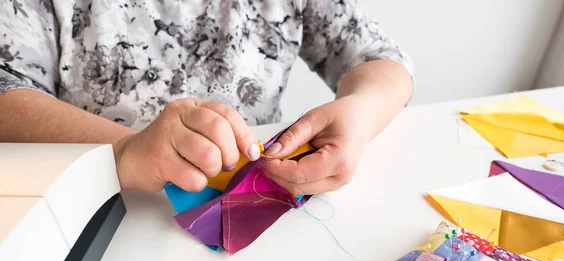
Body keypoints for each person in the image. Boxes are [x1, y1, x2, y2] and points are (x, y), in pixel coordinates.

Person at [0, 0, 414, 195]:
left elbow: (381, 60)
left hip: (255, 202)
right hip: (93, 207)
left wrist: (361, 111)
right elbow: (8, 91)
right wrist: (125, 149)